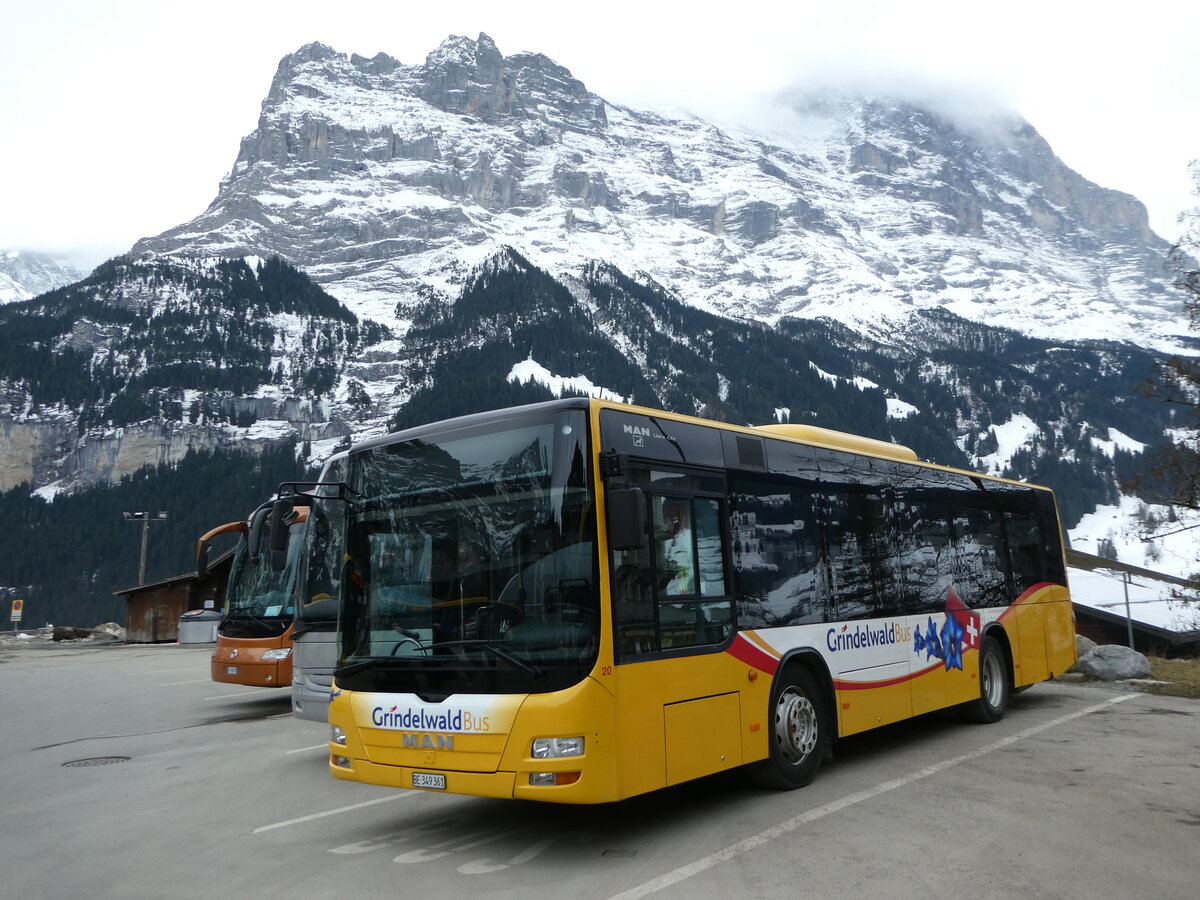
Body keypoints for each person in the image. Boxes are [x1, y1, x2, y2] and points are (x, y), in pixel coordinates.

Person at [658, 499, 696, 595]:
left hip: (681, 588)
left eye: (674, 519)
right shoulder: (665, 539)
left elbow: (685, 568)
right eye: (667, 520)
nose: (669, 523)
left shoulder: (687, 537)